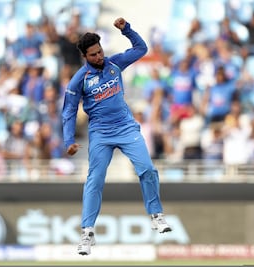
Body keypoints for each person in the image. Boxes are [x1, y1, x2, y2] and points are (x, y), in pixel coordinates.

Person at [62, 17, 172, 256]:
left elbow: (141, 49)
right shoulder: (79, 80)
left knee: (147, 169)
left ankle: (156, 216)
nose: (99, 57)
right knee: (95, 179)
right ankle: (87, 233)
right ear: (85, 56)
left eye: (100, 52)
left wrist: (127, 30)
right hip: (100, 133)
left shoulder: (114, 64)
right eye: (93, 55)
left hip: (126, 128)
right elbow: (69, 111)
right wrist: (69, 140)